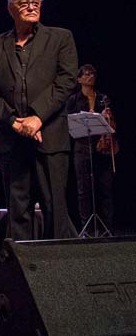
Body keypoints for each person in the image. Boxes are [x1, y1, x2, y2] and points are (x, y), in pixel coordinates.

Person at [0, 0, 78, 241]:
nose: (31, 8)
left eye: (35, 3)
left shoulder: (61, 38)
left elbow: (67, 81)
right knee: (18, 212)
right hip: (12, 140)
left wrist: (37, 118)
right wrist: (15, 122)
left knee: (54, 210)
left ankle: (59, 272)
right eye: (24, 3)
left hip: (50, 137)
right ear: (11, 8)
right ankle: (23, 272)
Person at [66, 64, 117, 232]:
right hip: (82, 149)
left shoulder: (103, 98)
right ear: (79, 79)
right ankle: (86, 230)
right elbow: (69, 124)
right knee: (84, 191)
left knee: (105, 190)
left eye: (92, 73)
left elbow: (113, 126)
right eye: (86, 74)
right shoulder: (73, 100)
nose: (90, 76)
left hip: (102, 149)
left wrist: (107, 118)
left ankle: (106, 230)